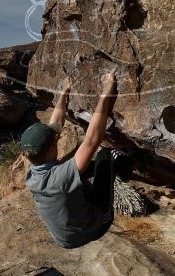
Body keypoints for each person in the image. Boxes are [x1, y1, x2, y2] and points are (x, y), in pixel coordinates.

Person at [23, 71, 132, 249]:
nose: (57, 134)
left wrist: (64, 94)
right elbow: (92, 140)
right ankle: (125, 170)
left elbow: (55, 126)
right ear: (51, 148)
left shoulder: (32, 172)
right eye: (55, 139)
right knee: (107, 156)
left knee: (80, 168)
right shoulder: (61, 176)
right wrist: (106, 92)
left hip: (63, 239)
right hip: (92, 229)